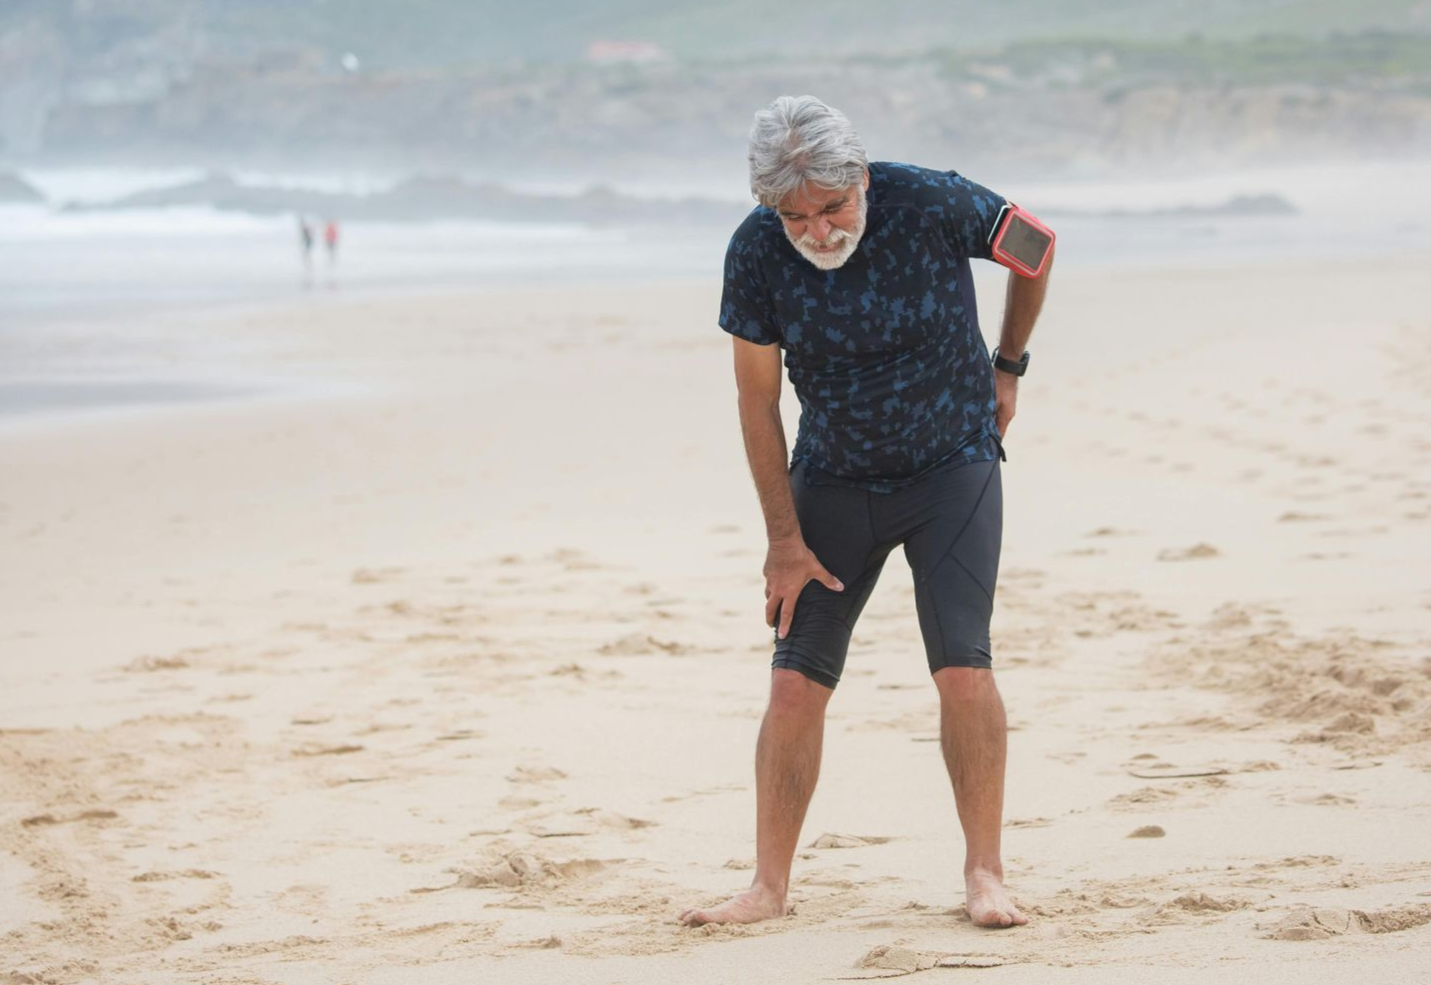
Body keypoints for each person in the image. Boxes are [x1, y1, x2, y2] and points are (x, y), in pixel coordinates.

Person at [679, 95, 1053, 931]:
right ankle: (767, 886)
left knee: (962, 669)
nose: (816, 230)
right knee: (792, 684)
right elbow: (755, 400)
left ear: (861, 179)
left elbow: (1035, 245)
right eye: (795, 216)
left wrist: (1008, 365)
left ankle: (985, 873)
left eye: (832, 207)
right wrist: (782, 540)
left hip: (951, 468)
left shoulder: (930, 200)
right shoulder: (754, 251)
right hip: (834, 482)